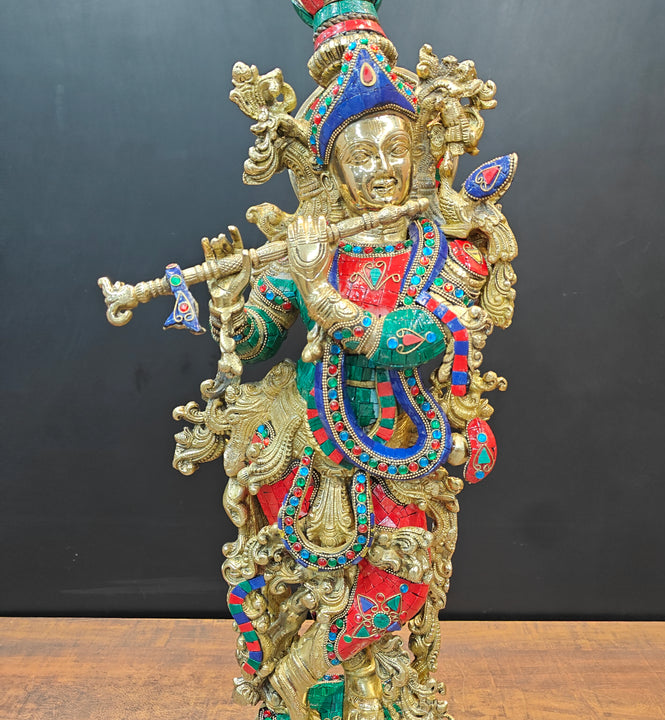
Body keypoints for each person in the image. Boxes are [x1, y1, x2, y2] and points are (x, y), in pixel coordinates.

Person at [175, 5, 518, 720]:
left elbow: (416, 337)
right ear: (332, 168)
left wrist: (322, 295)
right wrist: (233, 305)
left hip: (400, 437)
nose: (382, 171)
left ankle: (315, 669)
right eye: (361, 157)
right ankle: (334, 688)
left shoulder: (440, 250)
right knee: (310, 579)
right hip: (305, 444)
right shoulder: (313, 240)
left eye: (394, 150)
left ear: (417, 152)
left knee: (404, 579)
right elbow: (259, 340)